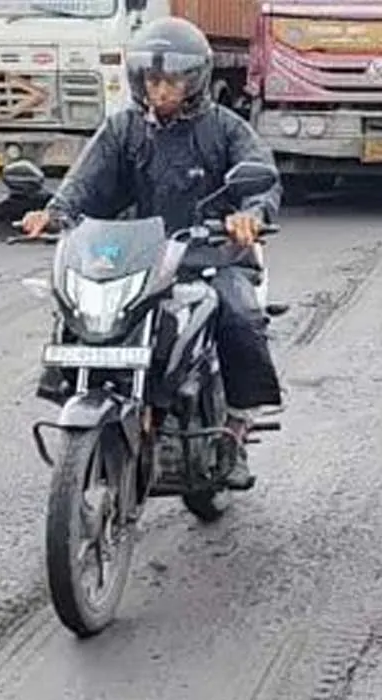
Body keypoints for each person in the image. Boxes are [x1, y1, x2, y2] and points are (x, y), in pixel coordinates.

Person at [20, 15, 283, 489]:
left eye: (173, 80)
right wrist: (55, 213)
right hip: (140, 256)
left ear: (195, 79)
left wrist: (251, 215)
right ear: (139, 79)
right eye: (153, 79)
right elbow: (85, 183)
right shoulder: (122, 129)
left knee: (239, 316)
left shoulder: (224, 127)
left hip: (211, 254)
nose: (161, 90)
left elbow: (259, 174)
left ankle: (235, 429)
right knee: (80, 306)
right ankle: (84, 399)